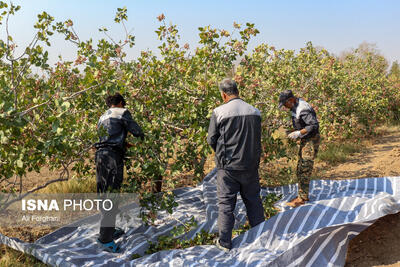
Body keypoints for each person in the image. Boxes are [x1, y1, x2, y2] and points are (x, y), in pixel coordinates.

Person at [207, 78, 265, 252]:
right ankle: (261, 237)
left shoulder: (219, 112)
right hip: (250, 165)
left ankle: (225, 242)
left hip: (228, 168)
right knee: (254, 201)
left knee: (226, 204)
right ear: (237, 91)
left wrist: (221, 153)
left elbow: (212, 139)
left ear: (224, 94)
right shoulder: (255, 111)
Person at [94, 92, 144, 253]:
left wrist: (123, 143)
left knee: (104, 194)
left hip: (100, 157)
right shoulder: (122, 112)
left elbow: (108, 137)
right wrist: (142, 137)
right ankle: (105, 239)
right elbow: (137, 131)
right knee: (112, 194)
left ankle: (107, 229)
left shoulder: (102, 117)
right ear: (121, 103)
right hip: (112, 158)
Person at [278, 89, 320, 208]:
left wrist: (299, 133)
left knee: (305, 168)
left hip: (311, 140)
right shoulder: (294, 107)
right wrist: (294, 132)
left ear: (291, 100)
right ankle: (302, 195)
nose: (285, 107)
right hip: (306, 140)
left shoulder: (303, 108)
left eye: (285, 104)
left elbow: (313, 125)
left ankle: (302, 198)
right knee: (300, 167)